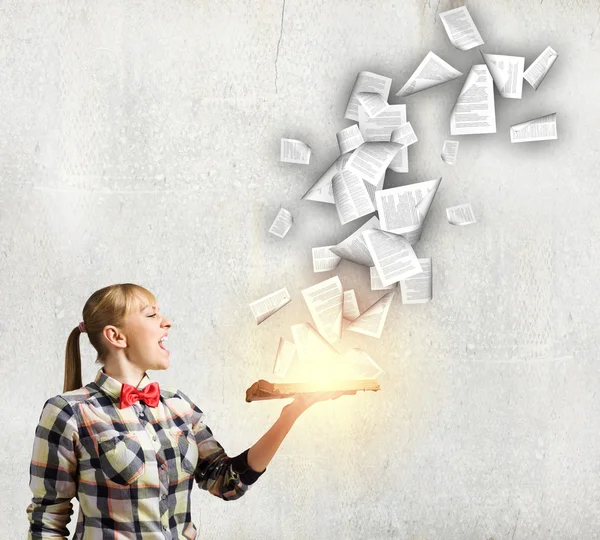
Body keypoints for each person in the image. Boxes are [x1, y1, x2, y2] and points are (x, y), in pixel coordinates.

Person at [26, 283, 342, 539]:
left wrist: (293, 413)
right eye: (151, 315)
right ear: (116, 336)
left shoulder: (179, 406)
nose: (167, 322)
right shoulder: (68, 412)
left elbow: (228, 482)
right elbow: (47, 523)